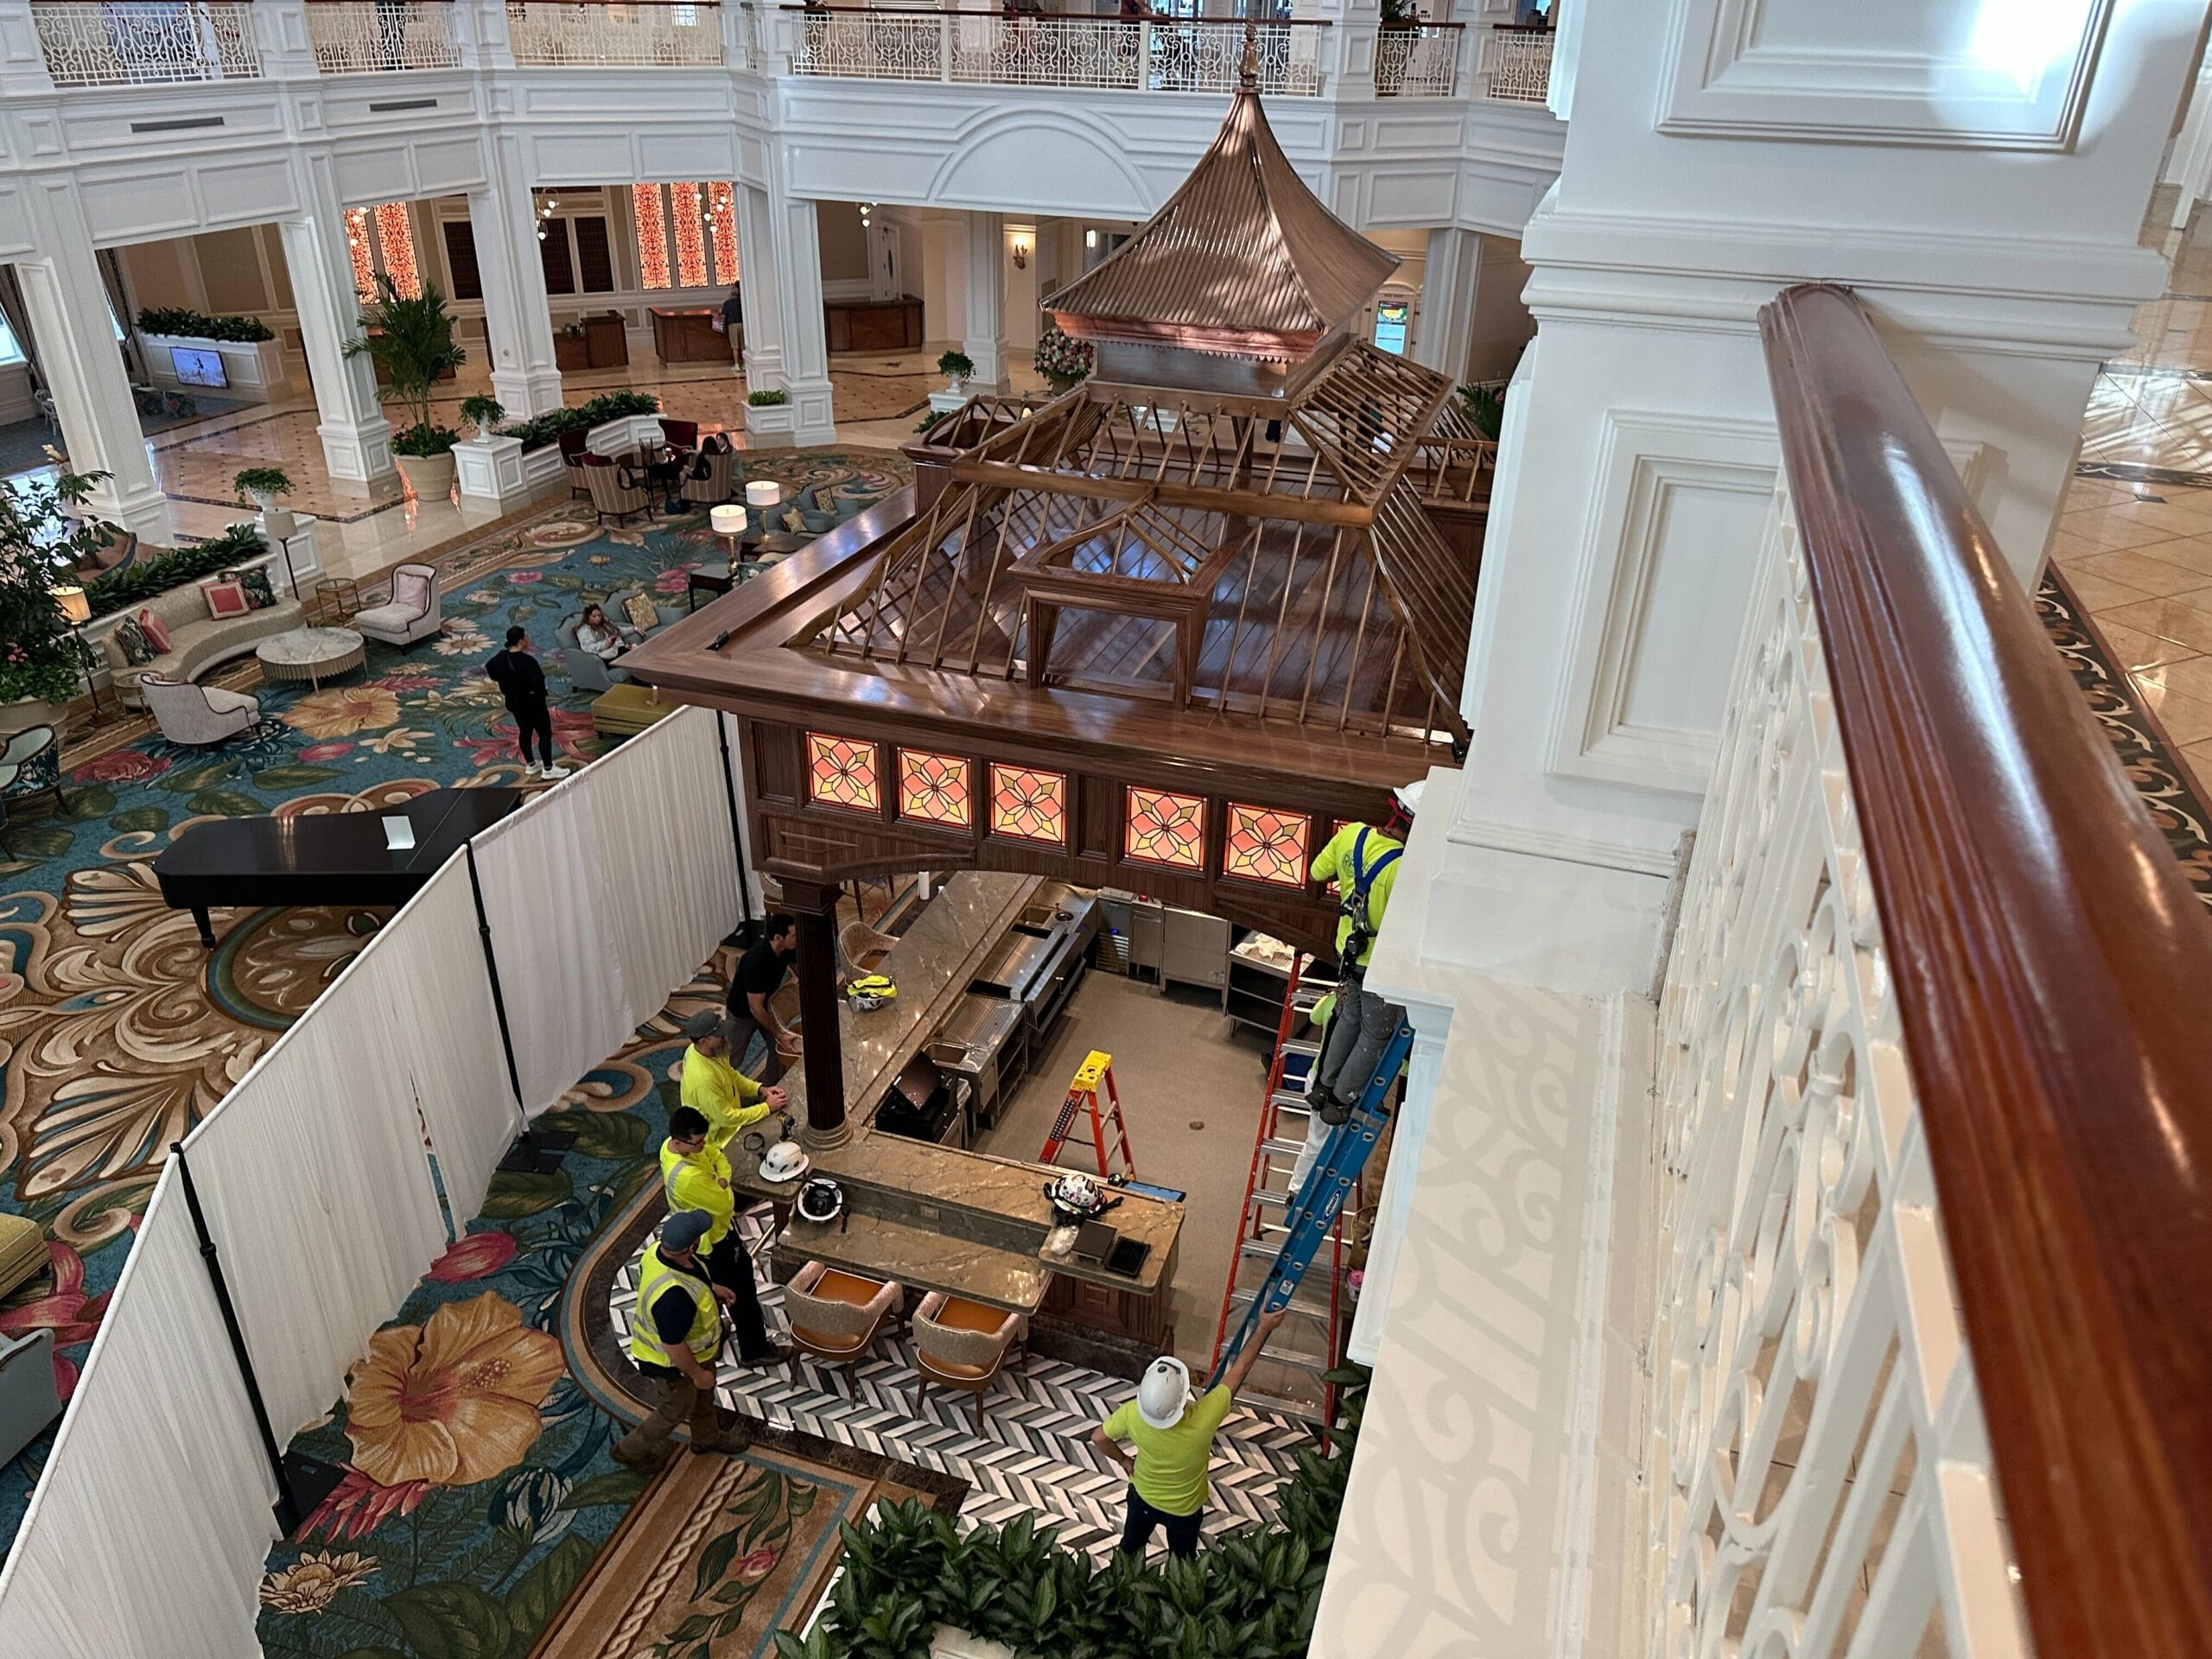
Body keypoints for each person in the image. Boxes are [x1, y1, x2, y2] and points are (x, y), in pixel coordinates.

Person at [1092, 1308, 1288, 1560]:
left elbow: (1099, 1438)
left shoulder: (1131, 1414)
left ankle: (1120, 1579)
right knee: (1182, 1561)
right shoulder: (1204, 1418)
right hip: (1184, 1511)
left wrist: (1124, 1460)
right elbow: (1239, 1370)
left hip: (1142, 1498)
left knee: (1129, 1549)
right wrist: (1263, 1328)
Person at [1308, 787, 1416, 1122]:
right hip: (1377, 965)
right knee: (1374, 1034)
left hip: (1345, 953)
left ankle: (1325, 1086)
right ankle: (1340, 1101)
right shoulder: (1405, 868)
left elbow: (1317, 873)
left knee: (1349, 1018)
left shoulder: (1351, 834)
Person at [613, 1210, 745, 1468]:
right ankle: (630, 1451)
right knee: (673, 1411)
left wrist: (712, 1288)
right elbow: (673, 1346)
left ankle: (706, 1438)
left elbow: (691, 1277)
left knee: (703, 1396)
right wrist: (697, 1374)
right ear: (691, 1246)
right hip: (672, 1367)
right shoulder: (673, 1298)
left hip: (696, 1355)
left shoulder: (658, 1252)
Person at [661, 1106, 790, 1367]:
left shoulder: (671, 1147)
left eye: (702, 1139)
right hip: (715, 1242)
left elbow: (716, 1155)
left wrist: (720, 1179)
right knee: (741, 1294)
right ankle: (754, 1350)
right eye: (697, 1143)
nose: (702, 1146)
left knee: (712, 1290)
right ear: (679, 1142)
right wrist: (721, 1183)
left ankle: (716, 1336)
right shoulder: (688, 1178)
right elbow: (726, 1205)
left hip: (700, 1241)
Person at [679, 1008, 786, 1153]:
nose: (725, 1036)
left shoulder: (706, 1050)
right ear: (704, 1040)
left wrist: (760, 1089)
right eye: (719, 1035)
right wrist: (766, 1108)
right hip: (720, 1139)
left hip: (730, 1117)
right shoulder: (703, 1080)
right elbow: (726, 1118)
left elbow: (731, 1076)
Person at [722, 912, 800, 1085]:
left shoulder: (788, 948)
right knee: (732, 1059)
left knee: (777, 1049)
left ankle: (770, 1089)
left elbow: (798, 970)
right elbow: (755, 1008)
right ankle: (721, 1090)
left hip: (766, 1006)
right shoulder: (756, 960)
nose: (797, 938)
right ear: (778, 937)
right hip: (742, 1014)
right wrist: (778, 1032)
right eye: (794, 935)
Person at [485, 626, 565, 780]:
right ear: (521, 641)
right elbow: (538, 682)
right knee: (544, 733)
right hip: (533, 703)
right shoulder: (528, 662)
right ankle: (548, 769)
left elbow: (491, 670)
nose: (528, 639)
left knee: (525, 731)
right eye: (526, 637)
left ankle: (531, 764)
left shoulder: (501, 658)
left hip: (514, 703)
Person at [575, 601, 636, 665]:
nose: (598, 618)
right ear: (588, 617)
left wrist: (634, 629)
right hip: (608, 656)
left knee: (637, 652)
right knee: (634, 658)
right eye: (594, 616)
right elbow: (587, 648)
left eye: (599, 615)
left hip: (619, 649)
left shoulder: (605, 623)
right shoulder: (585, 630)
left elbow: (619, 631)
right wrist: (604, 644)